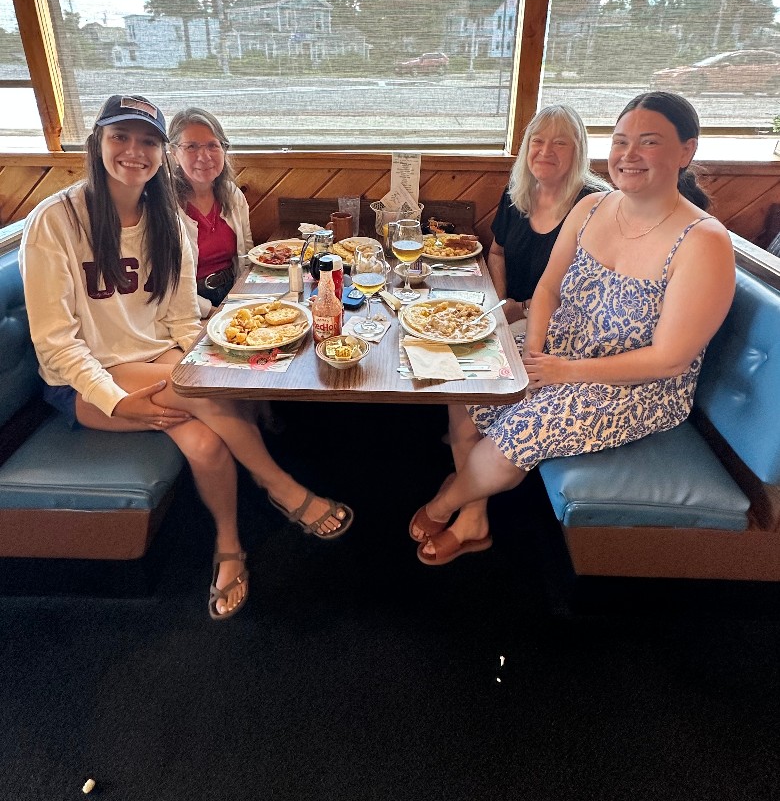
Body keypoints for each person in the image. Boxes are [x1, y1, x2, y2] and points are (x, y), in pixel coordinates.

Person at [20, 94, 354, 620]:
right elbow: (56, 346)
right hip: (83, 380)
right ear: (98, 143)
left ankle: (228, 547)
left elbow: (179, 320)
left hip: (155, 363)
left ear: (159, 152)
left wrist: (196, 355)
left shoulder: (171, 223)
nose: (135, 151)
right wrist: (117, 400)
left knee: (204, 440)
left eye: (147, 140)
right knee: (211, 392)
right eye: (120, 137)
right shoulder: (56, 221)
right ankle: (282, 488)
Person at [410, 91, 736, 566]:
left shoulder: (703, 242)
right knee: (467, 385)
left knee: (510, 437)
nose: (629, 155)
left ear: (686, 151)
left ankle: (445, 504)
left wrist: (561, 372)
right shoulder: (594, 207)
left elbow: (671, 358)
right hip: (560, 349)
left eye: (649, 142)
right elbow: (545, 291)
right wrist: (533, 353)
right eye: (621, 141)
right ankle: (475, 516)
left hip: (637, 385)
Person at [489, 103, 608, 330]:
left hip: (569, 324)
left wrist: (522, 308)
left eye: (560, 143)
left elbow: (593, 290)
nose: (545, 151)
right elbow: (497, 252)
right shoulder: (516, 190)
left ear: (578, 150)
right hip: (513, 317)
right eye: (538, 141)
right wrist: (502, 304)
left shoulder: (596, 204)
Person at [168, 108, 253, 318]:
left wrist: (244, 300)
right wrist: (214, 313)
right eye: (192, 147)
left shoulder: (233, 195)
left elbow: (247, 254)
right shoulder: (165, 208)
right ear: (174, 153)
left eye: (212, 145)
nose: (204, 156)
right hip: (185, 308)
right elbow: (167, 285)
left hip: (231, 293)